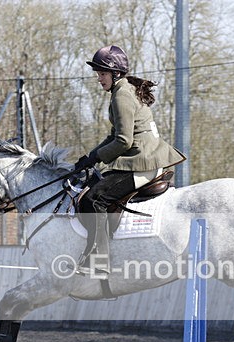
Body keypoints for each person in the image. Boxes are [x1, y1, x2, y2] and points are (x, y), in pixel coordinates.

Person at [73, 45, 185, 276]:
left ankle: (100, 260)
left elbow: (123, 142)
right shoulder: (124, 90)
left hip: (143, 162)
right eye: (98, 73)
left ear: (115, 73)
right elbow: (115, 137)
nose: (99, 78)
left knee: (93, 200)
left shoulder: (121, 96)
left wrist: (96, 157)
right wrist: (91, 156)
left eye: (102, 73)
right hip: (144, 157)